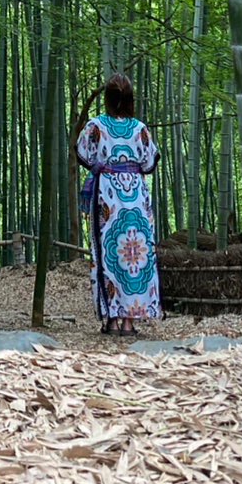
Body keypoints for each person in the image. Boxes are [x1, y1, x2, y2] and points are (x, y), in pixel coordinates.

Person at [76, 72, 162, 337]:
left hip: (108, 195)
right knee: (135, 255)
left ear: (108, 99)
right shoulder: (140, 129)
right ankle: (129, 322)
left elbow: (82, 154)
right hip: (135, 196)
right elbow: (149, 163)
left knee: (109, 254)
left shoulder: (95, 126)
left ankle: (112, 320)